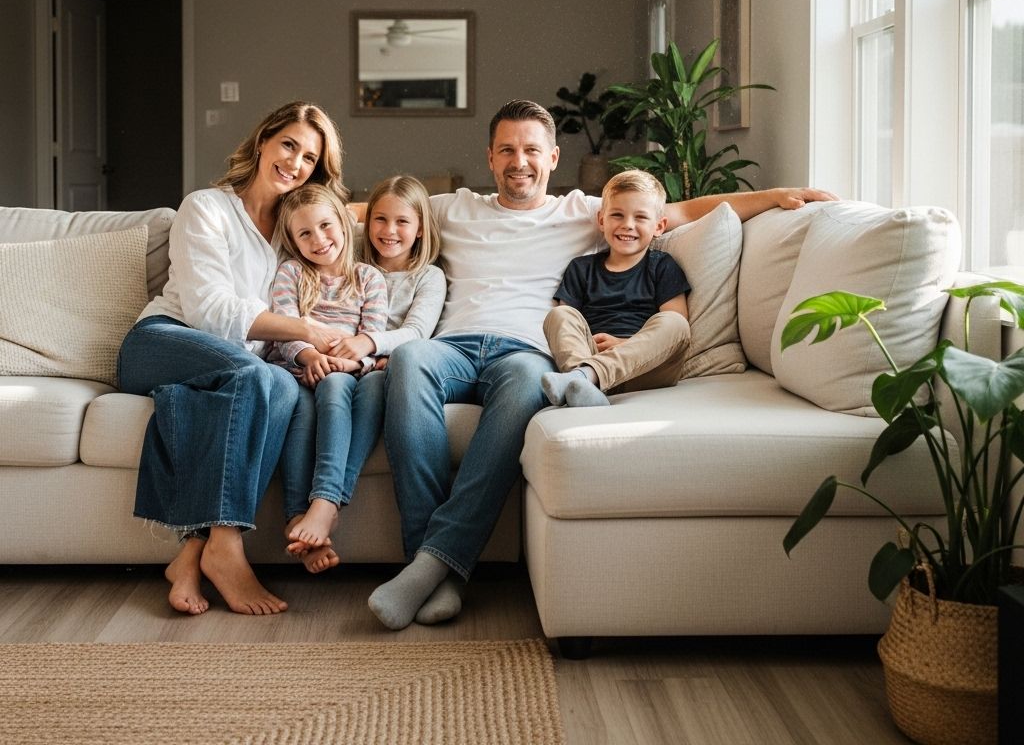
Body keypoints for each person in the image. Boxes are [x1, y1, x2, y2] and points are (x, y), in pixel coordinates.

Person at [368, 99, 837, 631]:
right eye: (507, 150)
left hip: (526, 351)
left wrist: (775, 196)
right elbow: (370, 212)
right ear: (490, 158)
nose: (519, 161)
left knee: (527, 382)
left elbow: (679, 212)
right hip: (450, 345)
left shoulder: (583, 211)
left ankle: (430, 564)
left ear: (552, 158)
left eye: (531, 150)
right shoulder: (451, 207)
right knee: (406, 358)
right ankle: (434, 567)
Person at [117, 100, 346, 617]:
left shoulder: (296, 235)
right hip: (162, 342)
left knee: (280, 385)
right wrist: (305, 328)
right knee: (256, 373)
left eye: (310, 158)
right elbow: (209, 309)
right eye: (288, 145)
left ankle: (194, 551)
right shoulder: (207, 208)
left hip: (232, 369)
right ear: (264, 140)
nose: (295, 162)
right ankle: (227, 546)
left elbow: (355, 225)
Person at [269, 183, 388, 574]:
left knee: (340, 386)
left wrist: (348, 365)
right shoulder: (290, 273)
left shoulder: (368, 278)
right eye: (305, 233)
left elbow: (372, 340)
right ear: (292, 240)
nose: (318, 239)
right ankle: (297, 517)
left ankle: (323, 504)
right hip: (297, 370)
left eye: (325, 226)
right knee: (298, 410)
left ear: (344, 222)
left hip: (346, 375)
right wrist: (308, 354)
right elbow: (284, 326)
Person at [540, 169, 690, 408]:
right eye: (617, 215)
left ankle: (586, 378)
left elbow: (677, 330)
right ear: (601, 220)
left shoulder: (662, 266)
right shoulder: (581, 268)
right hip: (591, 354)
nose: (628, 225)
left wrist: (623, 344)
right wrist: (592, 355)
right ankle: (585, 386)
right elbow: (569, 330)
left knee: (675, 322)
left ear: (659, 226)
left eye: (640, 217)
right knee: (558, 315)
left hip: (646, 367)